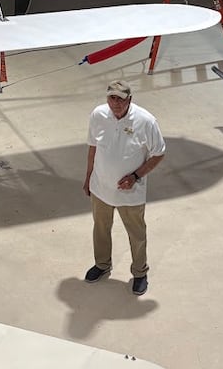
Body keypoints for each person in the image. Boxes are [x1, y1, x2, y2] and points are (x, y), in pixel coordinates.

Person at [82, 80, 165, 296]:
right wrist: (88, 176)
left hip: (130, 192)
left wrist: (136, 176)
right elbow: (93, 147)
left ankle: (139, 272)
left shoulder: (146, 121)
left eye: (121, 98)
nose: (115, 103)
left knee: (136, 233)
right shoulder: (98, 115)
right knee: (100, 228)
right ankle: (102, 265)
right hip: (101, 187)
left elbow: (159, 153)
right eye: (112, 98)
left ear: (130, 99)